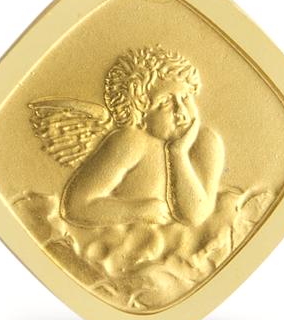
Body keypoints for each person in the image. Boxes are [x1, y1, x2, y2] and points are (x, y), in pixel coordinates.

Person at [60, 47, 224, 228]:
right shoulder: (130, 142)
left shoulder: (206, 142)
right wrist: (139, 211)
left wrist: (177, 152)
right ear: (138, 110)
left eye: (185, 97)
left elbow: (195, 216)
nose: (181, 111)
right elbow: (76, 207)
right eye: (165, 102)